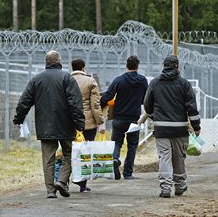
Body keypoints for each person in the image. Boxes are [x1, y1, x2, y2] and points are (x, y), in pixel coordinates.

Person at [13, 50, 85, 199]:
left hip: (45, 125)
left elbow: (24, 101)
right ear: (59, 61)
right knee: (69, 154)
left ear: (46, 62)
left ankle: (50, 191)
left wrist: (18, 119)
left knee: (48, 159)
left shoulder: (37, 80)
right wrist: (79, 123)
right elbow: (75, 102)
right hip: (66, 125)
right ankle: (62, 181)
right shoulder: (67, 78)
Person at [143, 55, 201, 198]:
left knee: (164, 157)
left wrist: (152, 115)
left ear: (164, 66)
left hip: (161, 128)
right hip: (180, 129)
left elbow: (147, 104)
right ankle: (180, 186)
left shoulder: (155, 83)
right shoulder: (184, 84)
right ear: (177, 66)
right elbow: (192, 108)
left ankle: (165, 188)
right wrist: (196, 126)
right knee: (178, 158)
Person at [100, 55, 148, 180]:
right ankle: (128, 173)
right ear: (138, 66)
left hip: (119, 118)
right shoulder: (143, 81)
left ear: (126, 65)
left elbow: (108, 96)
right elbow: (145, 99)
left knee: (116, 142)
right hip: (134, 119)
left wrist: (100, 104)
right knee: (132, 145)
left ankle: (115, 158)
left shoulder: (119, 80)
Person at [70, 58, 105, 192]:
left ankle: (68, 178)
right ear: (84, 67)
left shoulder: (67, 80)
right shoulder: (90, 81)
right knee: (86, 152)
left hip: (71, 121)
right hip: (88, 122)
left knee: (71, 151)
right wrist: (100, 121)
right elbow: (95, 104)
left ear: (72, 68)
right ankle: (83, 184)